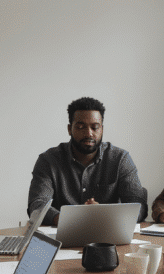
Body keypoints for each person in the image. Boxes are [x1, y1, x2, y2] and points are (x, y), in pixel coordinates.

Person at [28, 96, 148, 226]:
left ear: (102, 129)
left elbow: (138, 205)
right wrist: (71, 219)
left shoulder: (120, 159)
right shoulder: (48, 160)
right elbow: (37, 204)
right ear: (69, 129)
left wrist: (103, 214)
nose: (89, 133)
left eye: (95, 127)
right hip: (61, 237)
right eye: (80, 127)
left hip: (107, 237)